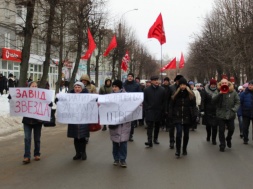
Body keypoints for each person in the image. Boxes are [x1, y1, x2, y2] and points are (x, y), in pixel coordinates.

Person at [9, 81, 44, 164]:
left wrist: (49, 104)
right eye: (32, 86)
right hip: (27, 121)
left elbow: (46, 104)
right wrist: (11, 97)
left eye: (36, 86)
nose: (34, 87)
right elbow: (16, 101)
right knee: (27, 139)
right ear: (29, 87)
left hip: (37, 121)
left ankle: (37, 154)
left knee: (37, 139)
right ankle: (27, 156)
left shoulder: (41, 96)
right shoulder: (25, 96)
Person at [170, 77, 196, 157]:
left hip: (187, 117)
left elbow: (194, 106)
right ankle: (178, 150)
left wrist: (194, 115)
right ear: (179, 85)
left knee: (186, 134)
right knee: (178, 133)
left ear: (186, 85)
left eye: (184, 84)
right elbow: (171, 106)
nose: (182, 86)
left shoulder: (190, 95)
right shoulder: (175, 94)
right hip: (177, 117)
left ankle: (184, 148)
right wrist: (171, 114)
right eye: (181, 84)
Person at [212, 78, 240, 152]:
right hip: (220, 114)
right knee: (221, 130)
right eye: (223, 83)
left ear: (228, 83)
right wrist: (220, 93)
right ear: (220, 84)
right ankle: (222, 144)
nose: (224, 84)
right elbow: (213, 100)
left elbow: (237, 102)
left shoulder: (233, 92)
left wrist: (234, 110)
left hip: (230, 114)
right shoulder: (217, 91)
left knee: (231, 129)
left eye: (225, 83)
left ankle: (228, 138)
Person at [109, 80, 131, 168]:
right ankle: (116, 159)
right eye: (113, 86)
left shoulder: (127, 96)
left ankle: (122, 160)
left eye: (116, 87)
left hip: (124, 123)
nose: (114, 88)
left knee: (123, 143)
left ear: (120, 87)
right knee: (115, 143)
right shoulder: (109, 97)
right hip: (113, 122)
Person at [65, 82, 89, 160]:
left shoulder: (86, 96)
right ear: (74, 88)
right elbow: (62, 102)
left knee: (82, 137)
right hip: (73, 119)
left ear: (82, 89)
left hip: (83, 119)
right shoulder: (69, 96)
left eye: (79, 87)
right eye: (76, 87)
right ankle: (77, 153)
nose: (77, 88)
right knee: (76, 137)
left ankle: (83, 152)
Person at [144, 76, 166, 147]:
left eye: (157, 80)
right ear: (151, 81)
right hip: (150, 110)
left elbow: (164, 101)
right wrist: (147, 108)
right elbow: (145, 100)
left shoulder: (162, 90)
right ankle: (149, 140)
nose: (156, 81)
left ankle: (155, 139)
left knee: (157, 126)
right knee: (150, 126)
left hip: (158, 110)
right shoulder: (147, 90)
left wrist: (162, 109)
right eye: (154, 80)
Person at [123, 73, 142, 141]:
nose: (130, 77)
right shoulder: (124, 84)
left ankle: (130, 135)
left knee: (132, 121)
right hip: (124, 105)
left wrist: (139, 102)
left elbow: (139, 94)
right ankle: (125, 134)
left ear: (133, 78)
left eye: (131, 76)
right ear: (127, 77)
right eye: (129, 76)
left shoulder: (136, 85)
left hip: (133, 105)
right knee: (125, 121)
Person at [201, 79, 219, 145]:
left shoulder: (218, 91)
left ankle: (214, 139)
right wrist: (202, 109)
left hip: (216, 110)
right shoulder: (205, 91)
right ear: (210, 84)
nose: (213, 86)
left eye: (214, 84)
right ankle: (208, 135)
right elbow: (203, 100)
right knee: (208, 125)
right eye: (212, 84)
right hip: (207, 110)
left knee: (215, 126)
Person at [169, 74, 183, 149]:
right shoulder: (171, 88)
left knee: (179, 129)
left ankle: (178, 141)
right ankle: (171, 141)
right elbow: (168, 100)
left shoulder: (184, 89)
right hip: (172, 110)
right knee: (171, 128)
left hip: (181, 112)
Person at [240, 80, 253, 144]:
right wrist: (240, 112)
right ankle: (245, 139)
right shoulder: (244, 94)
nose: (250, 86)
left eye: (252, 85)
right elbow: (240, 103)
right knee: (245, 127)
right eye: (249, 85)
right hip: (246, 112)